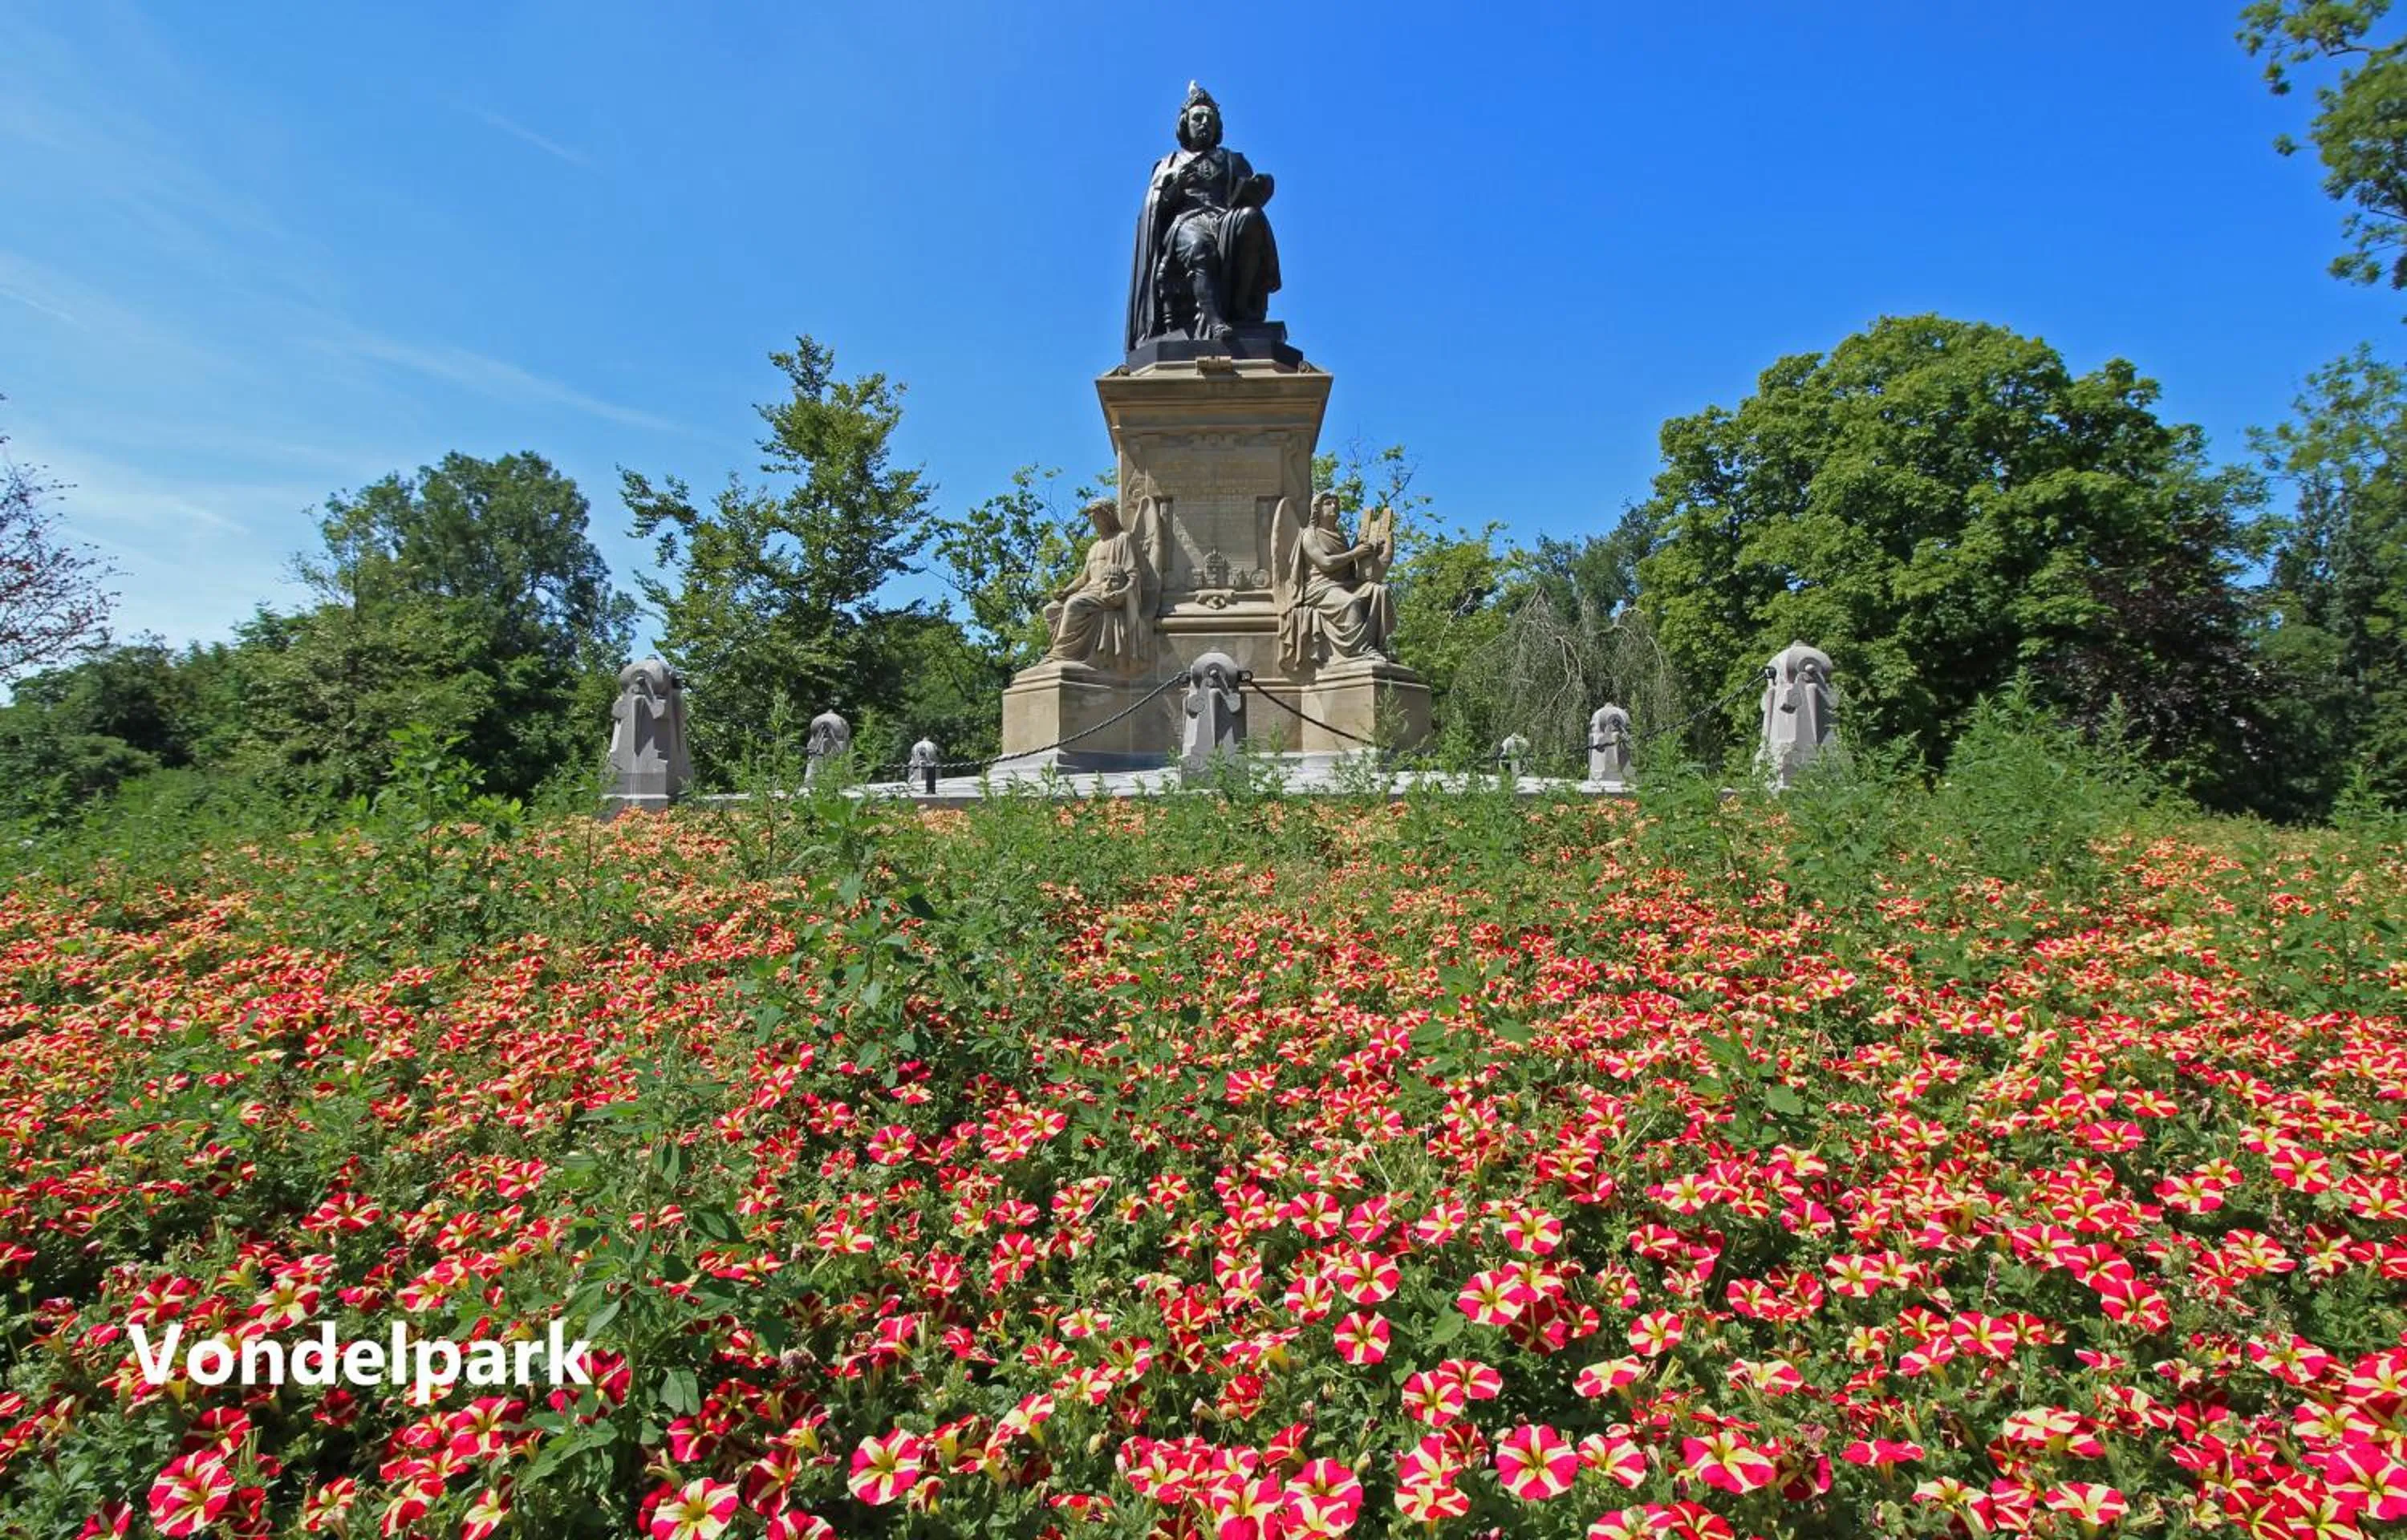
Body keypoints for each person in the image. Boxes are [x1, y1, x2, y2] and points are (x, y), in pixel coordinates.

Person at [1126, 83, 1281, 352]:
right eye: (1198, 118)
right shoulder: (1169, 163)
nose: (1204, 123)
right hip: (1185, 223)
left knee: (1251, 218)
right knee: (1200, 245)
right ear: (1185, 124)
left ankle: (1240, 308)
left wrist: (1258, 186)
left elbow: (1247, 193)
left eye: (1210, 119)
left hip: (1223, 218)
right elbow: (1154, 211)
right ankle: (1214, 321)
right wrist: (1174, 187)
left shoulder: (1233, 160)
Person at [1276, 492, 1394, 671]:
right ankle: (1358, 651)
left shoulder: (1341, 537)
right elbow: (1326, 563)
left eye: (1336, 504)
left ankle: (1379, 646)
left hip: (1344, 584)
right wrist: (1355, 553)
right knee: (1350, 603)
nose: (1334, 507)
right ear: (1317, 509)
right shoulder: (1310, 535)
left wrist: (1370, 552)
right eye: (1328, 503)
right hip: (1320, 588)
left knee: (1379, 591)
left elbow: (1351, 568)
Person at [1045, 498, 1155, 669]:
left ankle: (1062, 654)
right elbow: (1083, 579)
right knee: (1051, 609)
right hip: (1089, 590)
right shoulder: (1094, 546)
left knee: (1074, 604)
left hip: (1107, 592)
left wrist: (1123, 592)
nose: (1092, 521)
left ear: (1107, 516)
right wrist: (1066, 591)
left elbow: (1133, 574)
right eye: (1091, 517)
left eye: (1096, 516)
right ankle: (1070, 651)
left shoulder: (1122, 539)